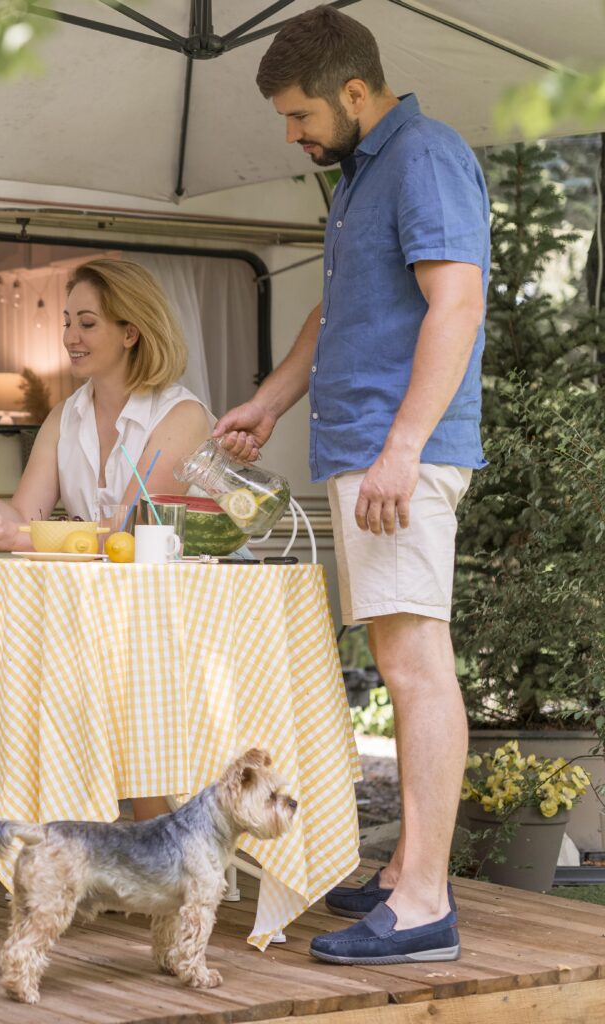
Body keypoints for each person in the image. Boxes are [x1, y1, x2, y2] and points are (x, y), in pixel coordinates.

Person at [215, 7, 489, 965]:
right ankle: (406, 871)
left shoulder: (424, 156)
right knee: (400, 660)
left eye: (301, 115)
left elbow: (457, 301)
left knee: (415, 668)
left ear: (356, 92)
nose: (293, 134)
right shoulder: (363, 174)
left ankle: (422, 905)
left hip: (394, 455)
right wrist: (269, 402)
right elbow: (340, 312)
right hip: (365, 453)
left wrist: (403, 447)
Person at [0, 258, 213, 819]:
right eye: (67, 322)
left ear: (131, 332)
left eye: (87, 323)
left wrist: (17, 534)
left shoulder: (182, 415)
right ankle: (72, 829)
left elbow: (134, 530)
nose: (70, 337)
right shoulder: (66, 415)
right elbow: (25, 515)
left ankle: (149, 844)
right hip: (98, 609)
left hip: (171, 613)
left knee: (124, 699)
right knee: (48, 681)